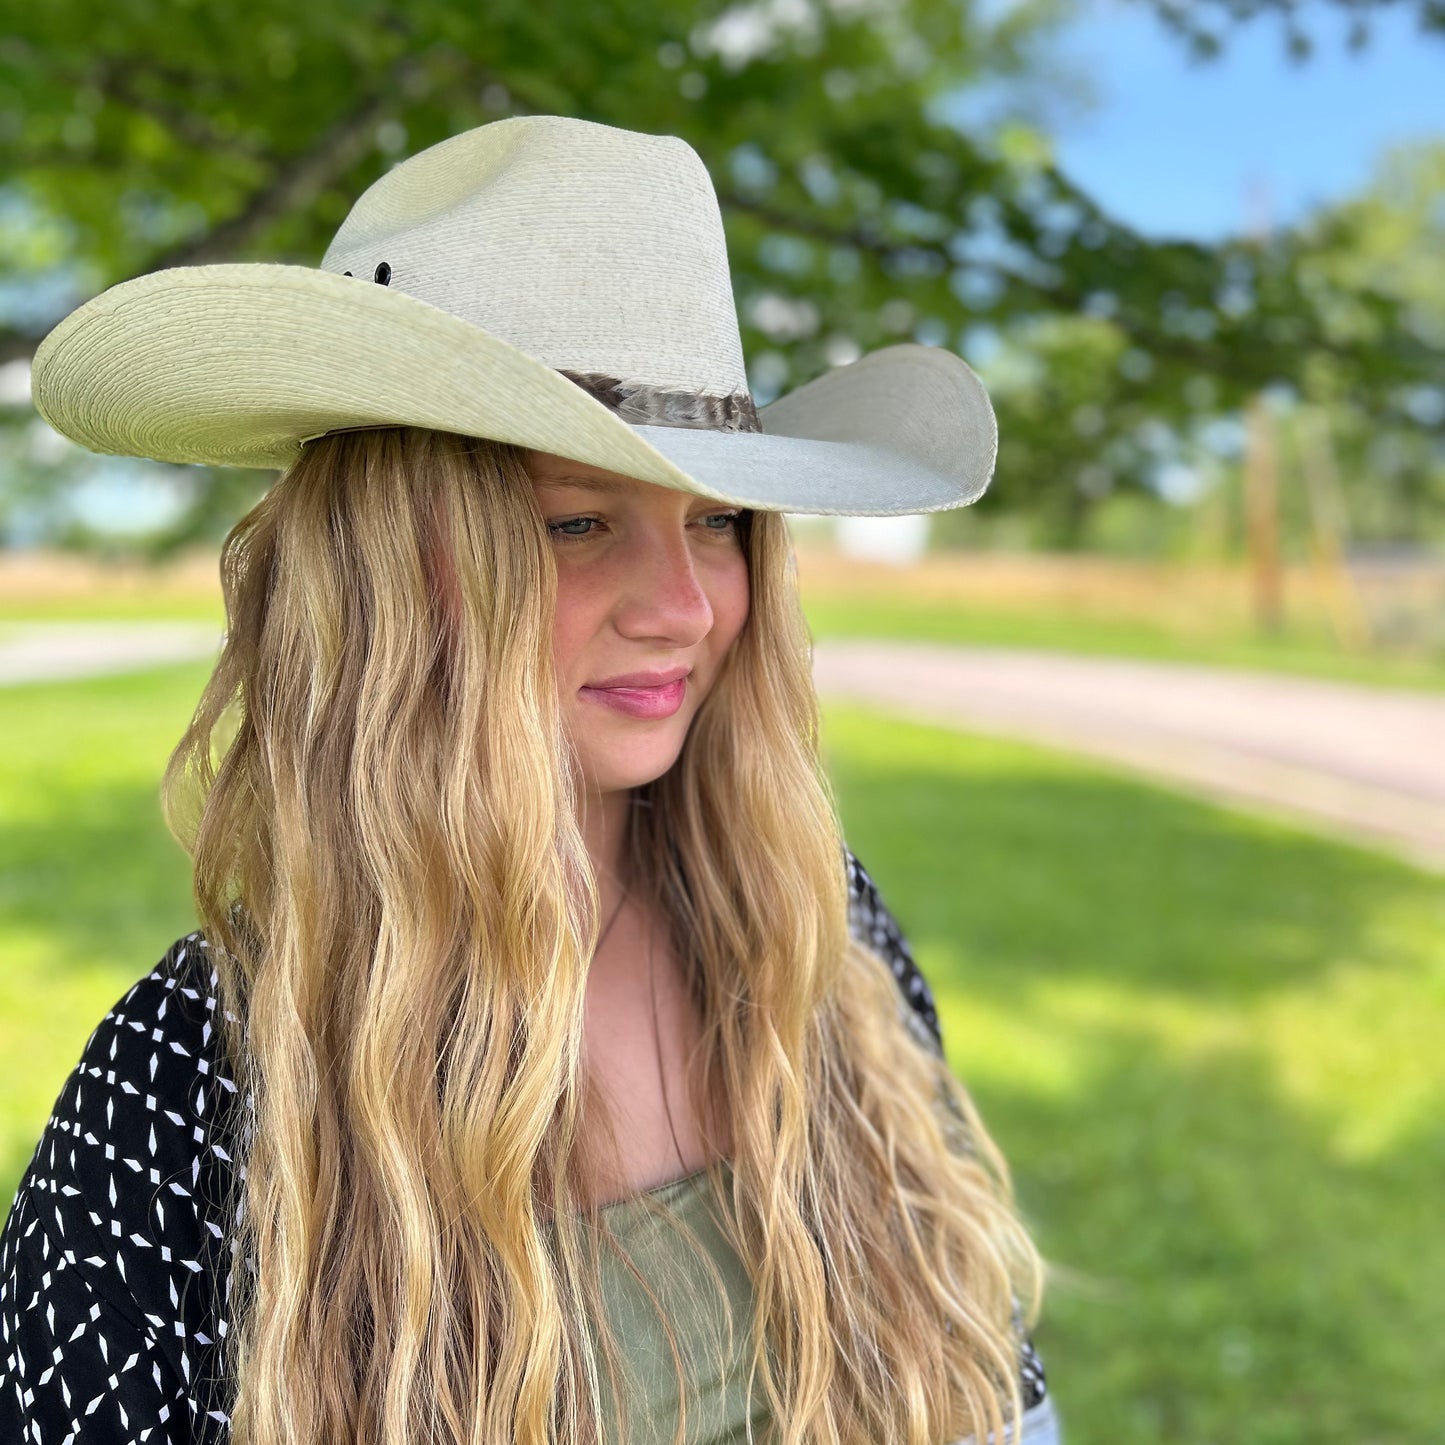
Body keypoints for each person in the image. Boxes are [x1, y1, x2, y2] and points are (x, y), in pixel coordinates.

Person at [0, 115, 1058, 1444]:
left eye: (717, 522)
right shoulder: (184, 1093)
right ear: (387, 569)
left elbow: (997, 1394)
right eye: (576, 522)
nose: (680, 605)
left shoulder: (817, 930)